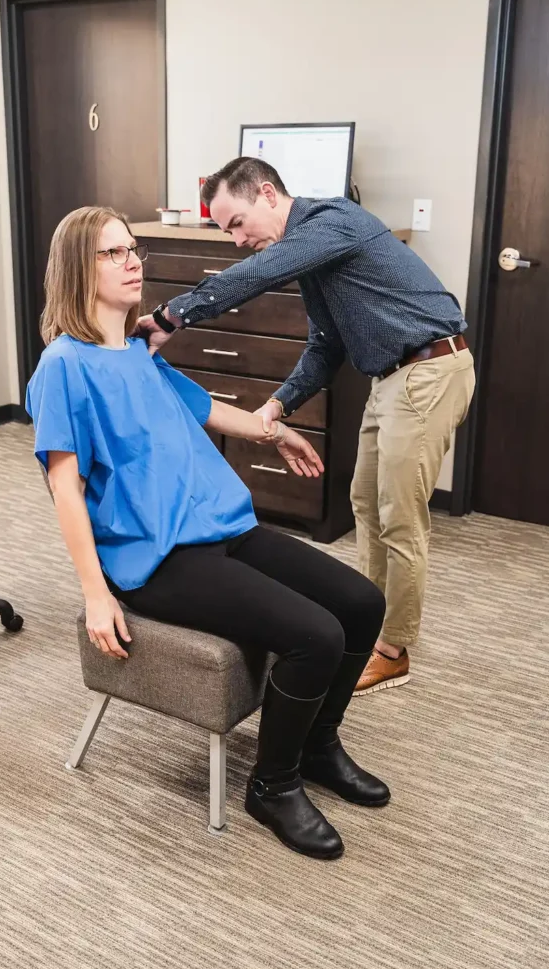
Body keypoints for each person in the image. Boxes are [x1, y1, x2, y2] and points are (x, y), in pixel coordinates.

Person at [26, 205, 389, 860]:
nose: (133, 260)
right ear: (79, 268)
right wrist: (94, 595)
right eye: (113, 253)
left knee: (361, 604)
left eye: (132, 248)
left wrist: (275, 431)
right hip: (157, 557)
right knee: (315, 635)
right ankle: (272, 785)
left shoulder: (136, 353)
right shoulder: (63, 368)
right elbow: (63, 486)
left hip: (217, 526)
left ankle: (316, 747)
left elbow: (207, 409)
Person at [137, 158, 476, 697]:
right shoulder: (317, 258)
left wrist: (171, 315)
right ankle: (369, 623)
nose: (235, 240)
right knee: (365, 503)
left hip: (429, 371)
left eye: (236, 223)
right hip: (392, 377)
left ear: (268, 194)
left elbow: (256, 276)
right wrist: (277, 406)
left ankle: (393, 649)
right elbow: (325, 345)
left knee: (400, 517)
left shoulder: (331, 222)